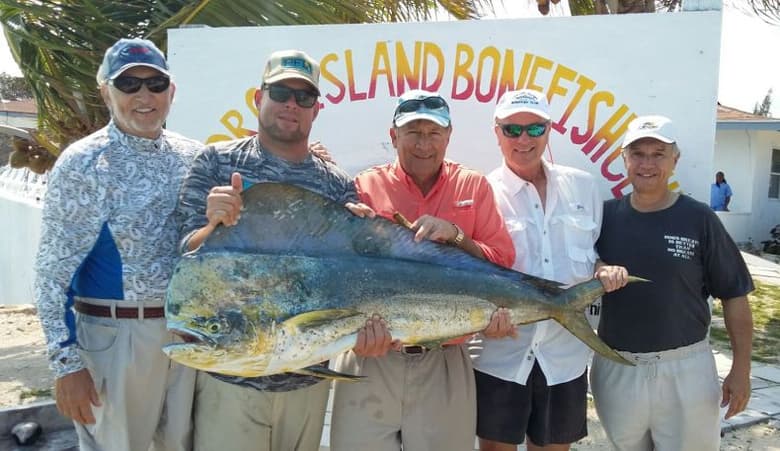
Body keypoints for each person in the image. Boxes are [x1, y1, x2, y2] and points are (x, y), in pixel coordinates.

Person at [175, 49, 356, 451]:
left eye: (304, 97)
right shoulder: (216, 161)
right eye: (281, 92)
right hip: (231, 382)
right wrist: (212, 225)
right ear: (259, 98)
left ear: (316, 110)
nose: (292, 103)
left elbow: (351, 282)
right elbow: (182, 253)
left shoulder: (338, 184)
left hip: (308, 383)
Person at [33, 38, 201, 451]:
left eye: (155, 84)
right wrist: (66, 365)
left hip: (186, 336)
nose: (144, 96)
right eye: (129, 84)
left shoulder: (192, 156)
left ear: (171, 91)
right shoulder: (83, 164)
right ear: (106, 91)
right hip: (115, 338)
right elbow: (50, 274)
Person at [329, 89, 516, 451]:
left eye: (434, 133)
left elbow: (501, 263)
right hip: (371, 356)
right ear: (393, 136)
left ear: (448, 136)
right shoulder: (364, 187)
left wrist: (456, 235)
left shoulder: (472, 185)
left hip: (445, 360)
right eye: (413, 132)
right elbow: (339, 272)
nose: (424, 143)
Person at [471, 88, 625, 451]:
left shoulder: (584, 186)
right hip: (499, 354)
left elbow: (593, 254)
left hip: (565, 357)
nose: (523, 139)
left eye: (534, 129)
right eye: (512, 130)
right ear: (497, 132)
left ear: (549, 130)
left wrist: (604, 270)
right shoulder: (481, 192)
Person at [592, 115, 754, 451]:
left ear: (674, 161)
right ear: (624, 159)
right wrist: (598, 265)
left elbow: (735, 295)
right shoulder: (603, 217)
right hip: (617, 368)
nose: (647, 163)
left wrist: (741, 370)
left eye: (658, 154)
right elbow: (574, 262)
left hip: (685, 370)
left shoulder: (699, 219)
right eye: (638, 154)